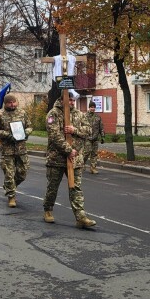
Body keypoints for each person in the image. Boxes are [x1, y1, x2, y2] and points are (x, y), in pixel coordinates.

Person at [43, 92, 96, 229]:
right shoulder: (53, 114)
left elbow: (89, 130)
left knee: (76, 188)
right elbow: (54, 136)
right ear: (62, 100)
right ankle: (48, 210)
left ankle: (80, 217)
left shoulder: (79, 114)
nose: (72, 103)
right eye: (69, 100)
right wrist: (68, 150)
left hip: (75, 159)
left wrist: (75, 130)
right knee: (53, 187)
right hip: (57, 159)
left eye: (73, 100)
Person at [0, 94, 33, 207]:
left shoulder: (22, 113)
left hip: (21, 148)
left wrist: (26, 132)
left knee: (22, 173)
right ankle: (11, 196)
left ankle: (9, 186)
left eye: (14, 102)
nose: (12, 104)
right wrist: (6, 135)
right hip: (7, 150)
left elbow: (29, 126)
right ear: (5, 103)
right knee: (9, 174)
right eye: (10, 103)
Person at [84, 101, 105, 174]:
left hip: (95, 138)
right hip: (87, 138)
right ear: (89, 108)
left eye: (94, 107)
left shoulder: (98, 117)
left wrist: (103, 136)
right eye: (91, 107)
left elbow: (101, 128)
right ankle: (82, 165)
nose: (92, 108)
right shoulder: (85, 116)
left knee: (94, 154)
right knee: (86, 153)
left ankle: (93, 168)